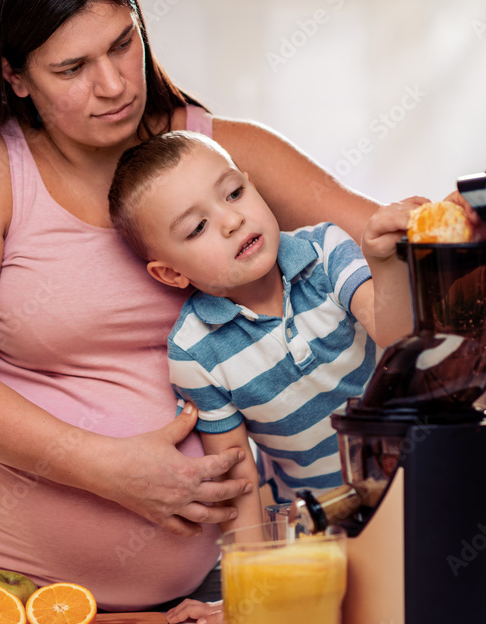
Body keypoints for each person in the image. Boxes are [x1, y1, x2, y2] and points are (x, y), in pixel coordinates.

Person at [0, 0, 486, 615]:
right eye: (72, 68)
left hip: (210, 593)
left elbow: (386, 247)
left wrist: (465, 254)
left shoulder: (221, 152)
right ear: (14, 74)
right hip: (11, 588)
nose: (114, 85)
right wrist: (109, 469)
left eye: (122, 43)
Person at [108, 130, 424, 533]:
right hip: (325, 533)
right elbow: (239, 487)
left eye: (234, 193)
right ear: (170, 273)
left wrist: (385, 266)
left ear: (252, 185)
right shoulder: (193, 354)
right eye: (197, 227)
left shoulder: (326, 251)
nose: (232, 220)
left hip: (424, 486)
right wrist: (254, 586)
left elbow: (397, 337)